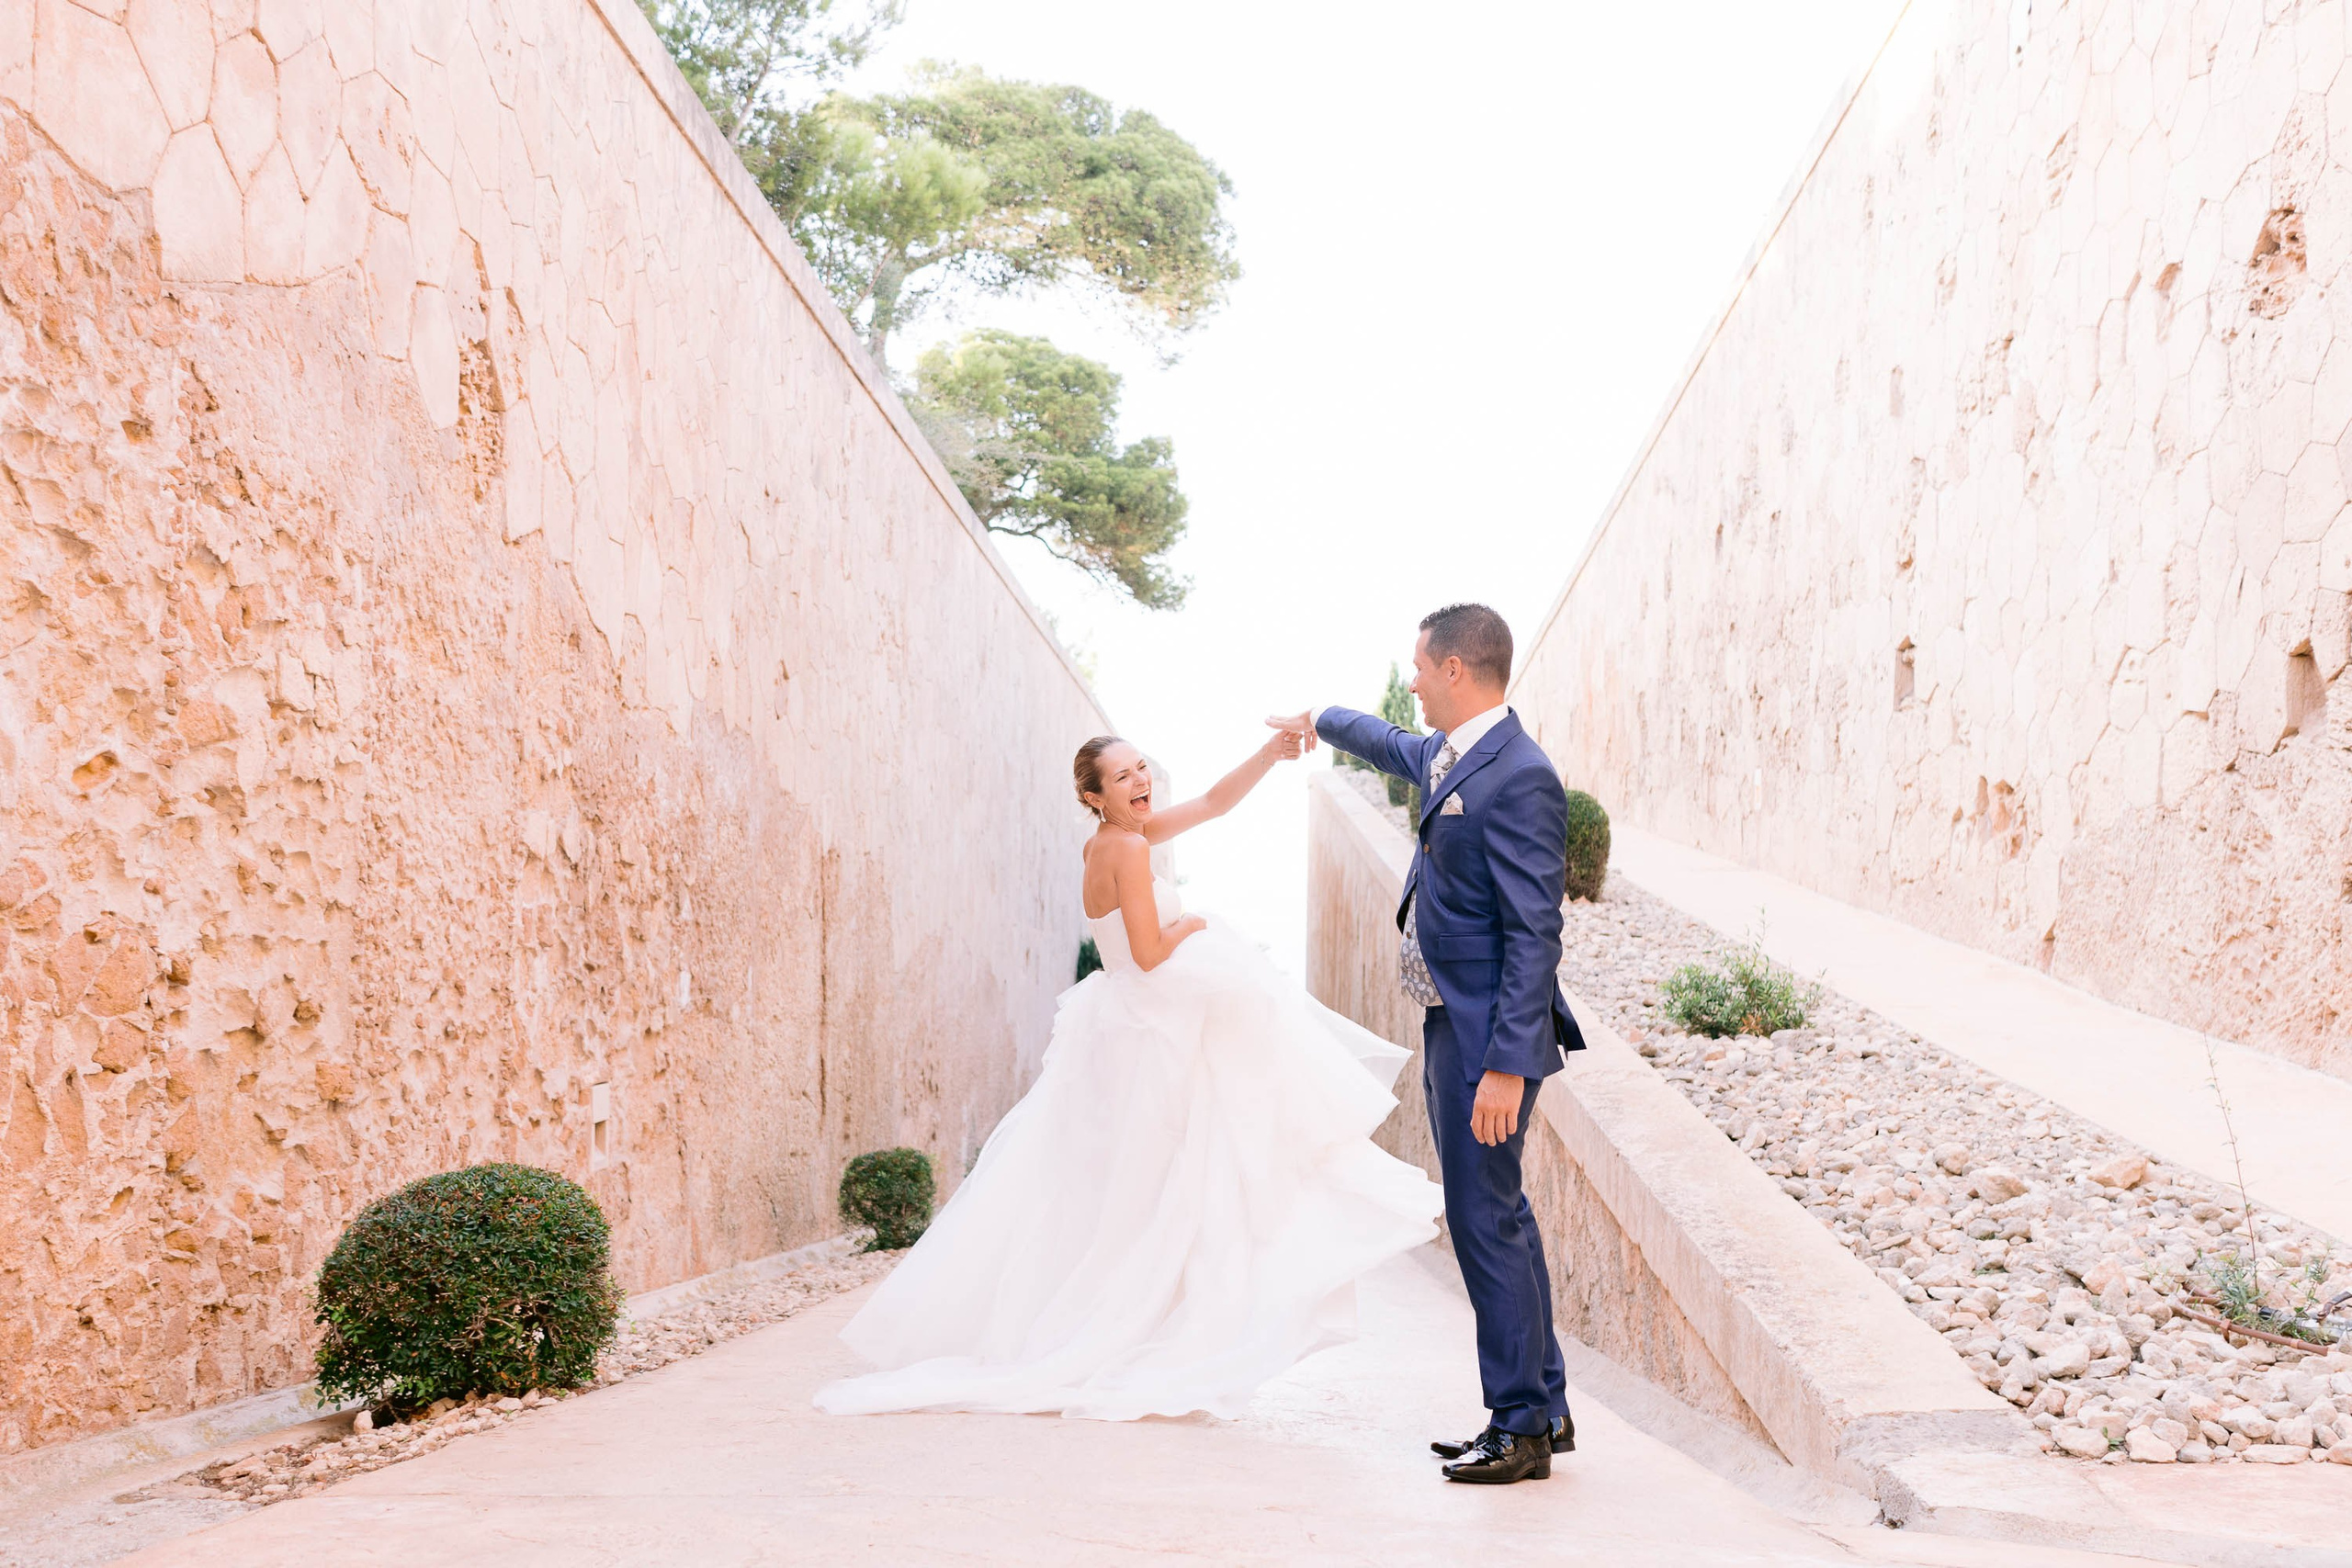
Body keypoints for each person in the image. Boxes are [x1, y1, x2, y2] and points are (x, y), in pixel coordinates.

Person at [812, 728, 1442, 1424]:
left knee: (1130, 1194)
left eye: (1142, 768)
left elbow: (1210, 803)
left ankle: (1131, 1323)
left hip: (1127, 1026)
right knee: (1163, 1188)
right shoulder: (1129, 848)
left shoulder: (1115, 840)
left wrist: (1267, 756)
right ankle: (1139, 1330)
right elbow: (1146, 952)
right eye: (1122, 777)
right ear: (1093, 796)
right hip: (1148, 1030)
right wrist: (1195, 925)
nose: (1141, 781)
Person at [1266, 601, 1584, 1485]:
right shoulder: (1454, 753)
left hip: (1486, 1033)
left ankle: (1516, 1424)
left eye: (1418, 666)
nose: (1409, 681)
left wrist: (1507, 1067)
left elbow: (1534, 933)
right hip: (1460, 1018)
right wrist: (1320, 719)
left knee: (1484, 1220)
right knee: (1504, 1216)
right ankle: (1546, 1407)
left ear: (1455, 668)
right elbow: (1385, 741)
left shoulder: (1520, 773)